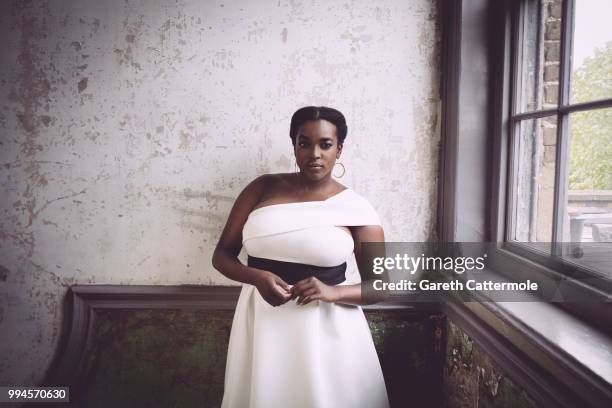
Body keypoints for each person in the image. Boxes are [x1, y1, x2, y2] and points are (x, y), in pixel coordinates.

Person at [212, 106, 390, 408]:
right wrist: (256, 277)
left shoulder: (357, 209)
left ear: (340, 149)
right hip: (262, 323)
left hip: (328, 331)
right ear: (294, 146)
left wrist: (332, 292)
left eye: (325, 144)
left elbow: (382, 286)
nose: (314, 153)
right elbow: (222, 256)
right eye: (304, 143)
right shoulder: (261, 188)